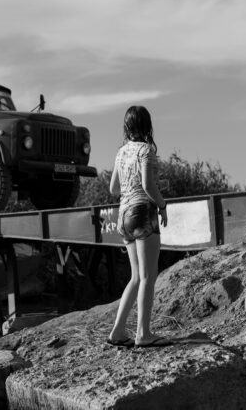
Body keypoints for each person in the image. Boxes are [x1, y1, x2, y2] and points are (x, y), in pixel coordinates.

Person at [107, 105, 168, 348]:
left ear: (127, 126)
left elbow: (113, 188)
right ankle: (143, 334)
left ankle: (117, 332)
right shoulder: (146, 151)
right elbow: (148, 186)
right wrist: (162, 205)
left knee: (135, 277)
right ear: (147, 125)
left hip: (122, 216)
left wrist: (129, 190)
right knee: (147, 277)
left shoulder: (121, 153)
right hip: (142, 212)